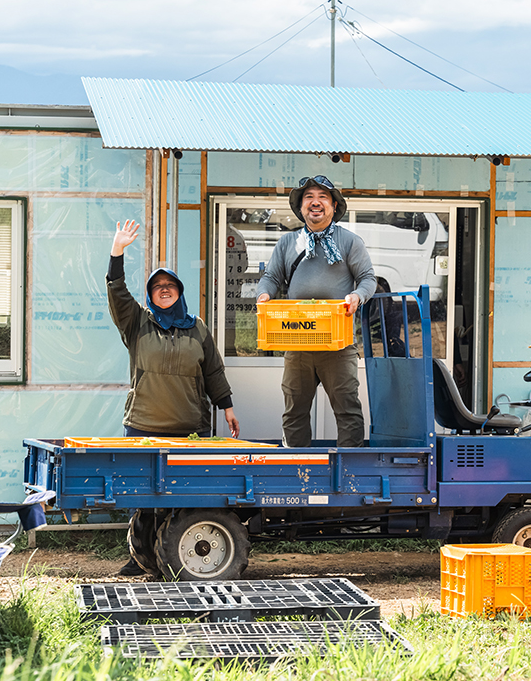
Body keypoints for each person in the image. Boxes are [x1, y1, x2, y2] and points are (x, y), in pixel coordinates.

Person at [108, 220, 239, 576]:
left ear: (179, 291)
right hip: (143, 425)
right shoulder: (137, 323)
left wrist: (226, 407)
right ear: (149, 295)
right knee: (144, 500)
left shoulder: (197, 327)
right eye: (157, 286)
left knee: (179, 500)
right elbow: (117, 292)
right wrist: (117, 252)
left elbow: (213, 370)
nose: (164, 290)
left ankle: (171, 555)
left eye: (170, 286)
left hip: (188, 428)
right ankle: (141, 559)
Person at [256, 176, 377, 447]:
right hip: (297, 341)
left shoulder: (349, 242)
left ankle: (348, 475)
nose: (315, 202)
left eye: (323, 197)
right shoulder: (288, 243)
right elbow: (271, 278)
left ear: (334, 206)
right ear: (301, 208)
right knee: (294, 412)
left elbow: (369, 278)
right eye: (309, 197)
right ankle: (298, 471)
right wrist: (263, 294)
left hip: (338, 343)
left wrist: (357, 296)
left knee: (347, 411)